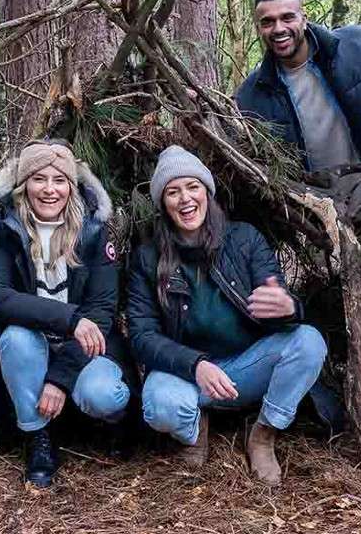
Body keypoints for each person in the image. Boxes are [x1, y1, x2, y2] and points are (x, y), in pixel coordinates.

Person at [128, 145, 328, 486]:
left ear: (208, 192)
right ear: (163, 203)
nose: (185, 199)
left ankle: (263, 433)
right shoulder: (148, 258)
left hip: (245, 369)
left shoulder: (245, 239)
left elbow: (277, 304)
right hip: (187, 374)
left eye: (193, 187)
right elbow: (142, 336)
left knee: (309, 341)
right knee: (160, 404)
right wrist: (195, 364)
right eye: (173, 192)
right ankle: (194, 428)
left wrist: (289, 309)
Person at [0, 140, 133, 488]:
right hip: (32, 349)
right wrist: (69, 319)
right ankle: (38, 438)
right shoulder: (4, 231)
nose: (49, 190)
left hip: (86, 349)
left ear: (72, 186)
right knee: (15, 337)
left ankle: (100, 426)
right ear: (23, 186)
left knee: (104, 395)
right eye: (38, 179)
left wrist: (60, 378)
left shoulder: (94, 231)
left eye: (59, 180)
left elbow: (102, 310)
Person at [234, 0, 361, 219]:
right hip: (326, 221)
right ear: (259, 28)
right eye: (268, 22)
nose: (278, 29)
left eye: (287, 17)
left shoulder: (360, 44)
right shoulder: (252, 94)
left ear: (304, 18)